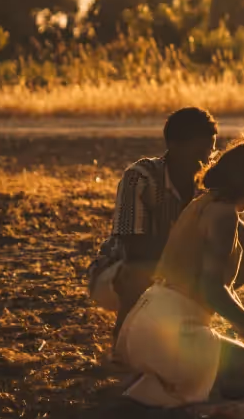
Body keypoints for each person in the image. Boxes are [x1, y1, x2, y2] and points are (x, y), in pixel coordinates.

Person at [116, 128, 244, 406]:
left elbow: (214, 282)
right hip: (175, 333)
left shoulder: (202, 202)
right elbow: (211, 289)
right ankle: (169, 386)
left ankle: (159, 377)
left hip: (144, 322)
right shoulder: (223, 215)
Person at [86, 107, 219, 334]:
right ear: (174, 146)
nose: (206, 159)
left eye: (210, 151)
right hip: (117, 275)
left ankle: (187, 326)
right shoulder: (141, 176)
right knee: (141, 270)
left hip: (174, 270)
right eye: (199, 152)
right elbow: (135, 248)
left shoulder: (207, 185)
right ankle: (121, 344)